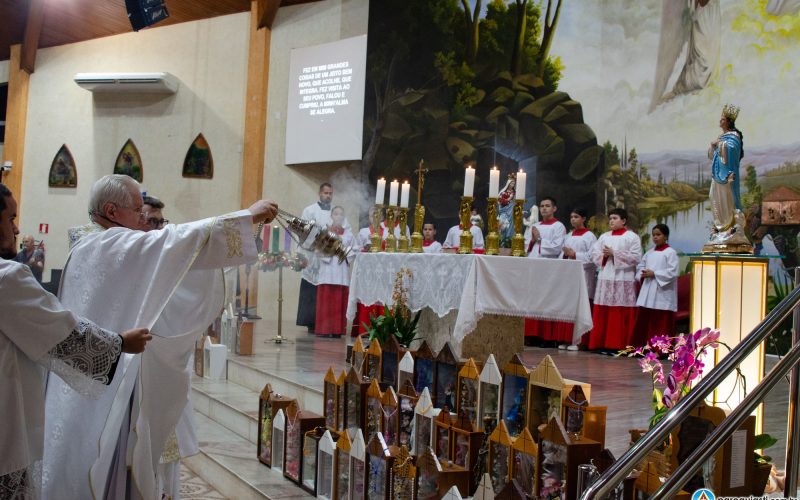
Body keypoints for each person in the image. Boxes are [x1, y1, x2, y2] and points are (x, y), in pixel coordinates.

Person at [43, 175, 278, 500]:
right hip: (108, 381)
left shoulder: (90, 244)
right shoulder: (108, 244)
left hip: (95, 380)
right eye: (137, 210)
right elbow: (172, 241)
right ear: (111, 210)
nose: (143, 219)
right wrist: (247, 217)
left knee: (94, 460)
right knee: (104, 459)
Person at [0, 183, 152, 498]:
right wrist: (121, 342)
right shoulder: (7, 279)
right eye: (10, 218)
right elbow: (60, 332)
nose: (16, 228)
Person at [297, 182, 350, 333]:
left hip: (330, 260)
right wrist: (317, 242)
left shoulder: (336, 212)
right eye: (325, 193)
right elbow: (303, 231)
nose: (328, 196)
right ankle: (310, 322)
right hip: (313, 255)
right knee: (310, 290)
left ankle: (325, 323)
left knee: (326, 290)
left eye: (330, 193)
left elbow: (345, 232)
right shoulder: (309, 210)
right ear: (319, 193)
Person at [587, 208, 642, 352]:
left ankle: (619, 345)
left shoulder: (632, 237)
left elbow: (636, 257)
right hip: (606, 276)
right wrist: (605, 256)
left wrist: (615, 253)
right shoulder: (604, 236)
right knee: (603, 311)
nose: (611, 221)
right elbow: (594, 253)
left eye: (615, 218)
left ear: (623, 221)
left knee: (619, 312)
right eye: (610, 218)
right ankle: (601, 344)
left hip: (623, 278)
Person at [523, 197, 568, 346]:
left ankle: (547, 337)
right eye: (542, 206)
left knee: (546, 300)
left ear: (554, 209)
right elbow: (526, 245)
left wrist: (539, 239)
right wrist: (531, 240)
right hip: (533, 265)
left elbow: (557, 247)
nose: (544, 209)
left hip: (549, 268)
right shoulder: (535, 225)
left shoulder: (559, 226)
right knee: (532, 300)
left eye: (547, 206)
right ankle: (531, 334)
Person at [557, 208, 598, 350]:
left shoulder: (589, 236)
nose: (573, 219)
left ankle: (580, 341)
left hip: (584, 275)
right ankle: (568, 339)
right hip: (569, 276)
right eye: (571, 217)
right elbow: (562, 254)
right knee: (569, 307)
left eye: (576, 216)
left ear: (583, 219)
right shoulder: (568, 235)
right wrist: (565, 255)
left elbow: (593, 258)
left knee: (581, 306)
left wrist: (574, 254)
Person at [632, 224, 679, 347]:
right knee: (647, 321)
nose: (655, 237)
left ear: (666, 236)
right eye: (653, 235)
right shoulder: (649, 252)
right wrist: (642, 273)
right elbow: (640, 266)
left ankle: (661, 349)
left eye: (658, 235)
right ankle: (645, 347)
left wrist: (655, 273)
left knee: (660, 322)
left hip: (662, 292)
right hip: (648, 289)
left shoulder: (670, 253)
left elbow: (672, 272)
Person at [707, 104, 747, 246]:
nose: (720, 121)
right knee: (713, 196)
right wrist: (713, 146)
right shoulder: (722, 137)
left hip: (727, 176)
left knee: (727, 200)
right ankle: (720, 227)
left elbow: (733, 151)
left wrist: (720, 144)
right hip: (717, 175)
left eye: (722, 119)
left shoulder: (733, 136)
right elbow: (712, 156)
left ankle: (730, 227)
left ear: (728, 121)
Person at [315, 206, 356, 338]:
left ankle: (338, 330)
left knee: (339, 299)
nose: (338, 216)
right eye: (336, 214)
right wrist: (329, 250)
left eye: (341, 214)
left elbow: (354, 250)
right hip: (327, 270)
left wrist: (343, 252)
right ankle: (324, 329)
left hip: (341, 271)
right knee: (326, 299)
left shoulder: (349, 235)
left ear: (344, 218)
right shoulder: (324, 231)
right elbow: (317, 249)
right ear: (331, 216)